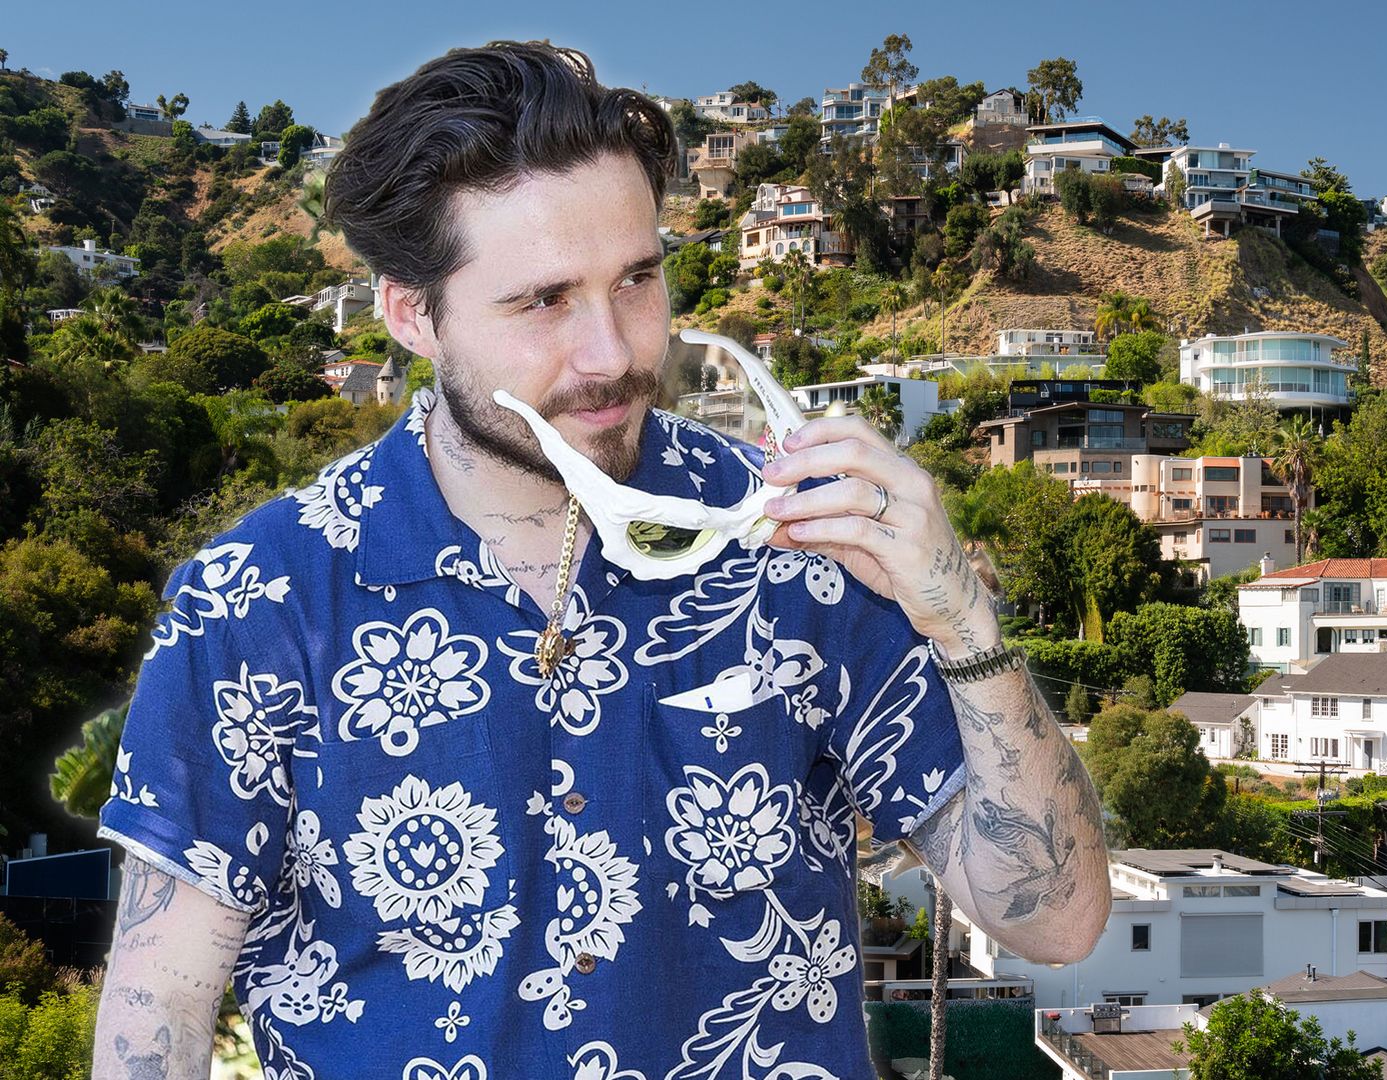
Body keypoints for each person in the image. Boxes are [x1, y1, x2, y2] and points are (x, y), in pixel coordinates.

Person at [92, 40, 1107, 1079]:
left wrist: (960, 623)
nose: (612, 352)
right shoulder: (259, 595)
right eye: (542, 300)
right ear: (411, 314)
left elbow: (1057, 923)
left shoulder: (800, 542)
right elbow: (162, 995)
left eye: (637, 280)